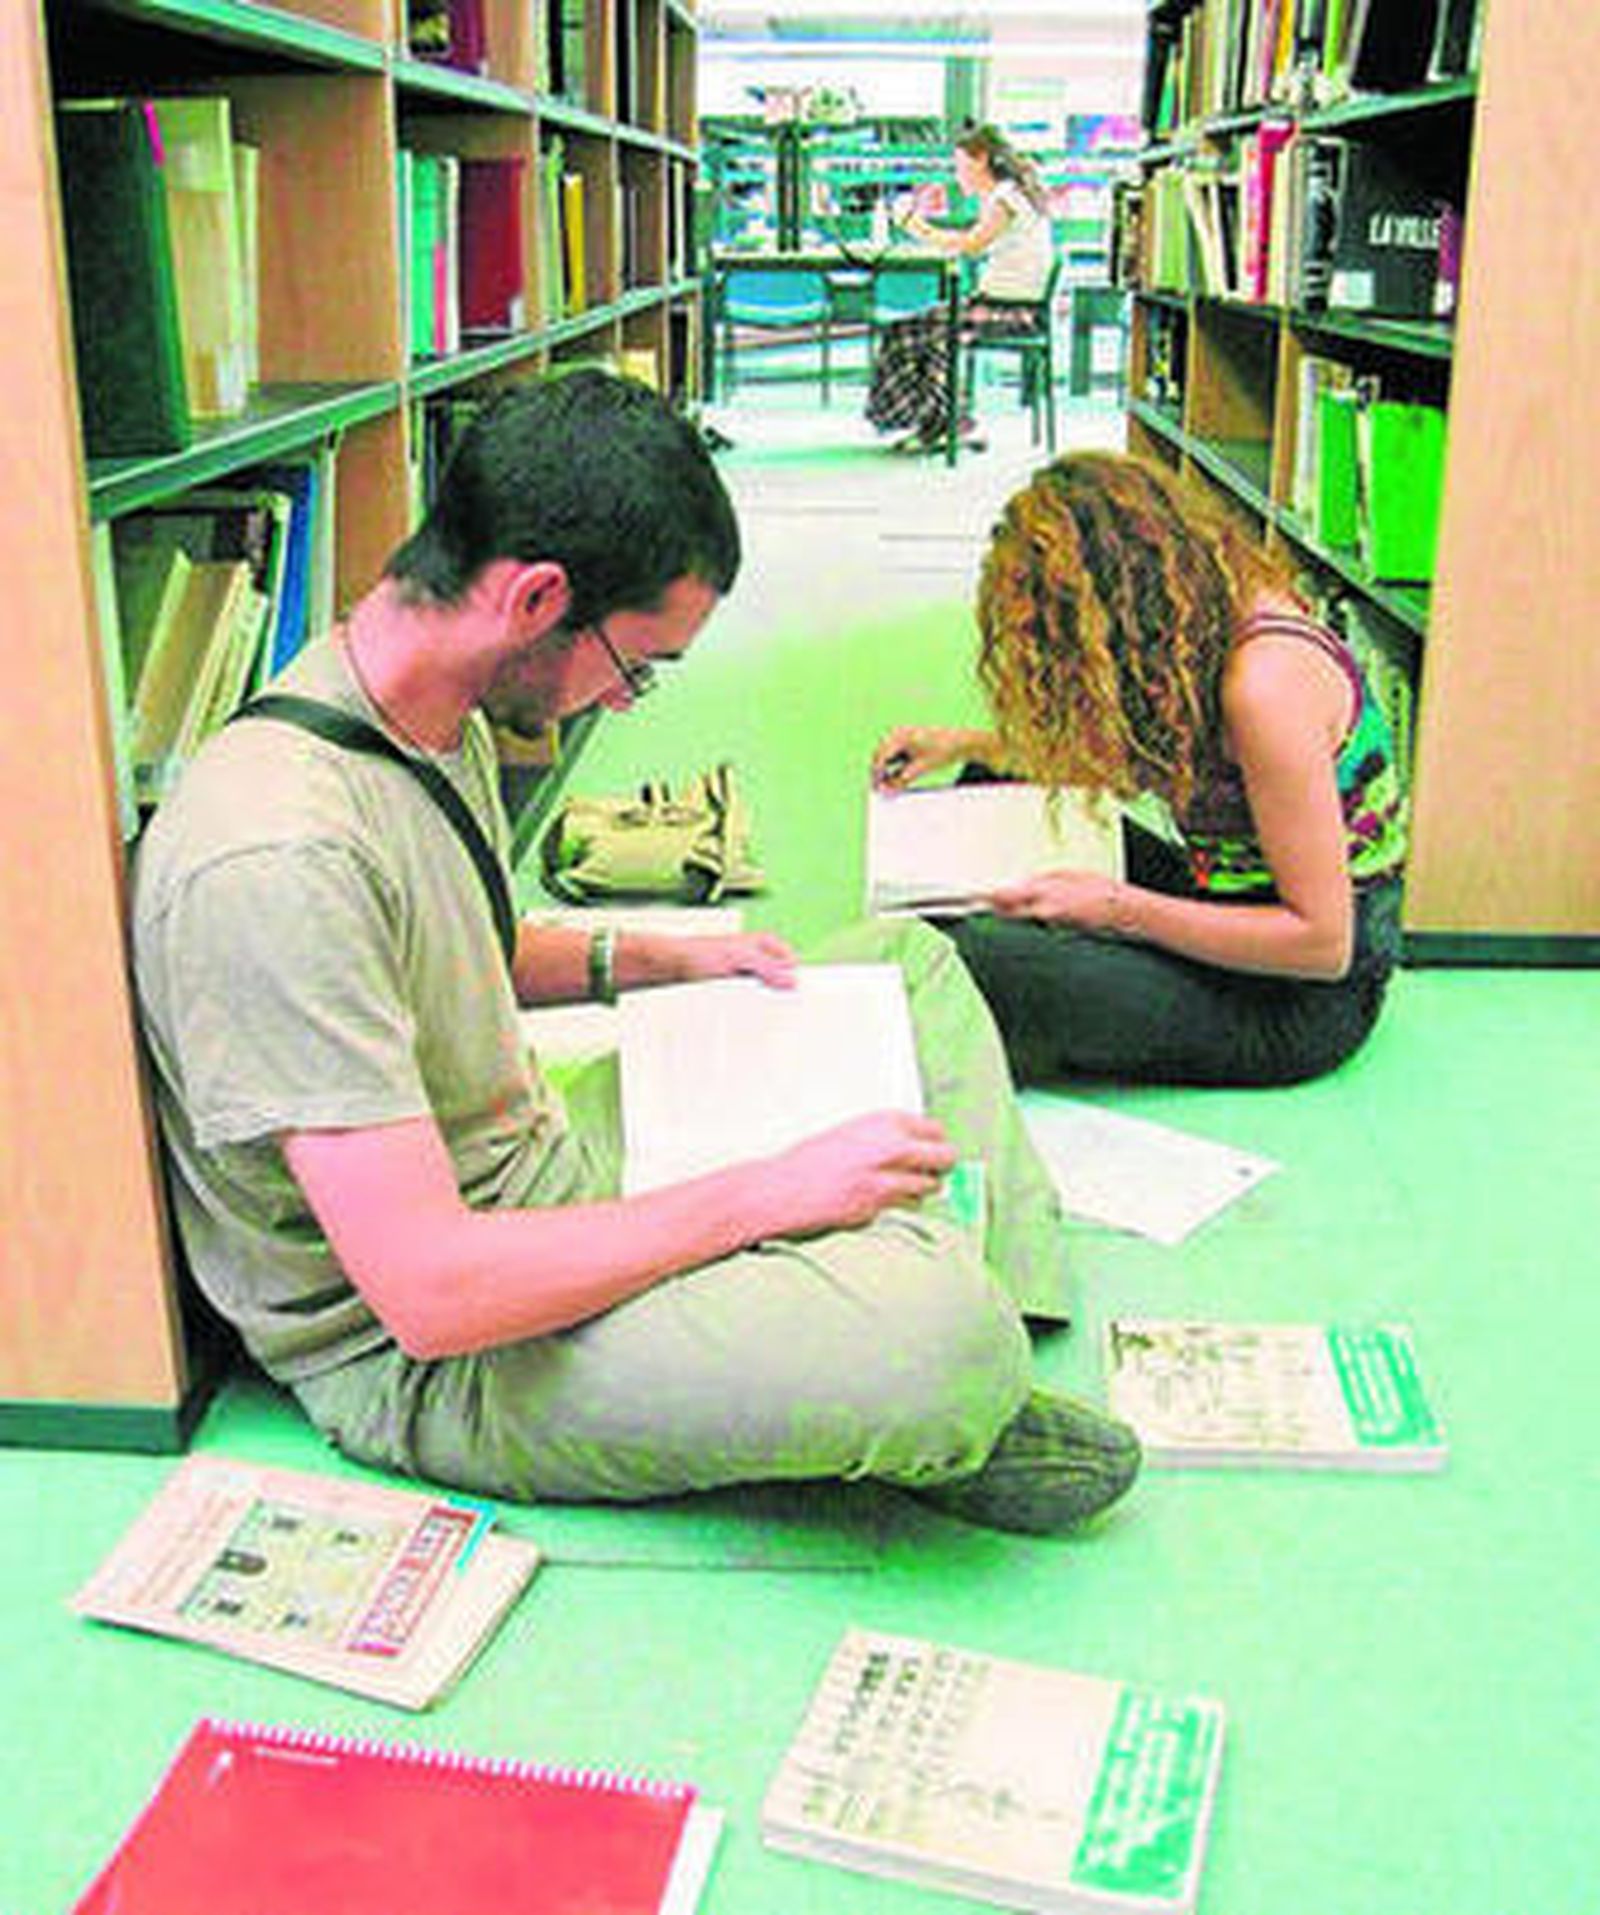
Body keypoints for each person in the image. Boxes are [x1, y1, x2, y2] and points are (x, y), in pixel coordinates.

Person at [132, 369, 1139, 1537]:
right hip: (455, 1339)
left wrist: (660, 960)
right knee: (937, 1340)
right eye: (637, 663)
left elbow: (461, 947)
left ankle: (949, 1317)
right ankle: (944, 1343)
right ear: (539, 597)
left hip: (543, 1159)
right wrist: (771, 1194)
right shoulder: (274, 857)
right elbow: (430, 1290)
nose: (623, 702)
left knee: (906, 960)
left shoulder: (413, 705)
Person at [872, 451, 1408, 1087]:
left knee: (979, 957)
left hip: (1296, 1001)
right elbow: (1131, 764)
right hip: (1225, 893)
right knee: (994, 787)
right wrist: (964, 745)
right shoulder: (1201, 618)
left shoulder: (1264, 686)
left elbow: (1322, 945)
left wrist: (1120, 909)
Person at [865, 123, 1054, 454]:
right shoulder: (1009, 196)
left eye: (960, 164)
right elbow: (971, 242)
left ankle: (949, 423)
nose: (957, 174)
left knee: (922, 330)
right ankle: (939, 422)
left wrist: (915, 226)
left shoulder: (1006, 199)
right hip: (1006, 305)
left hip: (1012, 311)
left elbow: (969, 246)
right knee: (918, 327)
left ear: (981, 160)